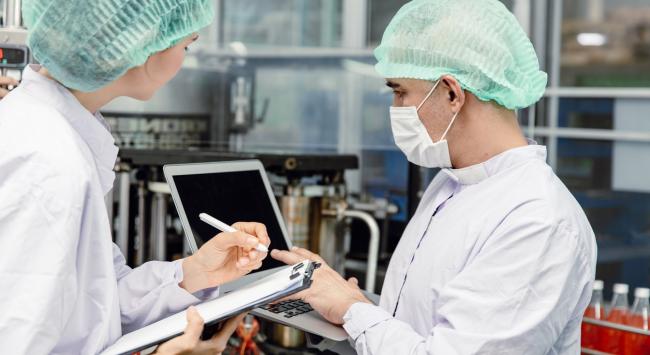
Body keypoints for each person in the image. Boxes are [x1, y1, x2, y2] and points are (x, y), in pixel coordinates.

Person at [271, 0, 597, 354]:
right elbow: (419, 322)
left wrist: (352, 310)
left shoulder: (537, 221)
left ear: (451, 93)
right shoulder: (453, 183)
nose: (394, 108)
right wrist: (344, 302)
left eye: (400, 92)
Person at [0, 1, 269, 354]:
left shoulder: (53, 135)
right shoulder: (48, 164)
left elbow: (97, 301)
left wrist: (196, 272)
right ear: (140, 45)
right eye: (185, 45)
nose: (183, 58)